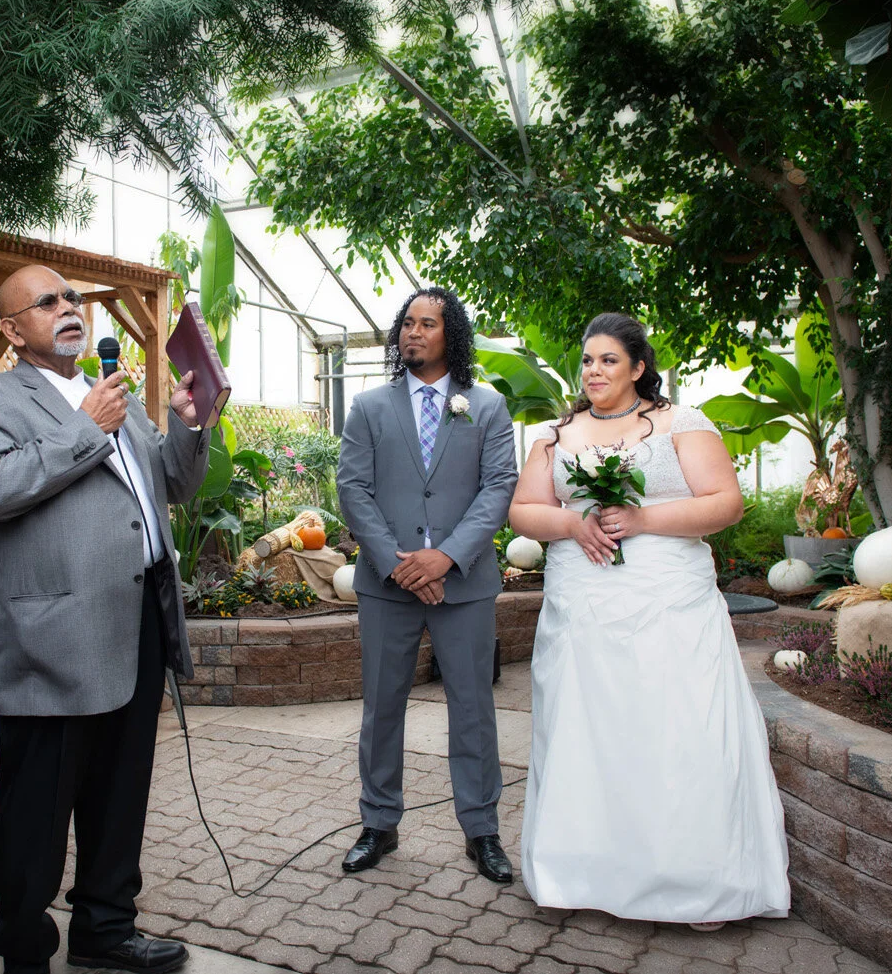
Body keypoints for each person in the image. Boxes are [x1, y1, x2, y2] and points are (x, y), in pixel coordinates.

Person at [0, 264, 209, 974]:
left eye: (72, 297)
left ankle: (105, 928)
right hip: (57, 635)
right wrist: (85, 427)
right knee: (39, 803)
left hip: (137, 616)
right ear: (12, 329)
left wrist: (189, 425)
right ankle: (24, 947)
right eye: (47, 302)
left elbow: (171, 483)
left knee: (120, 791)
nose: (68, 308)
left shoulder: (113, 390)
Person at [509, 312, 789, 929]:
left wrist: (642, 520)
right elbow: (524, 510)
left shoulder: (681, 423)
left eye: (608, 360)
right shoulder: (554, 436)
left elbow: (726, 503)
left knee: (674, 726)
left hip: (668, 599)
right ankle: (577, 875)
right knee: (584, 730)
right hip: (582, 602)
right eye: (588, 360)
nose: (594, 371)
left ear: (638, 368)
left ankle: (696, 885)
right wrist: (572, 523)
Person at [334, 286, 519, 883]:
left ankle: (482, 831)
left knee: (473, 709)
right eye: (407, 323)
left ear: (451, 334)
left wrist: (444, 558)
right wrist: (398, 564)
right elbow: (353, 489)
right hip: (387, 583)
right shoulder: (369, 407)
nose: (413, 332)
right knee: (382, 708)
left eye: (427, 323)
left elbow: (499, 487)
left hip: (462, 584)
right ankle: (378, 824)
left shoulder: (486, 406)